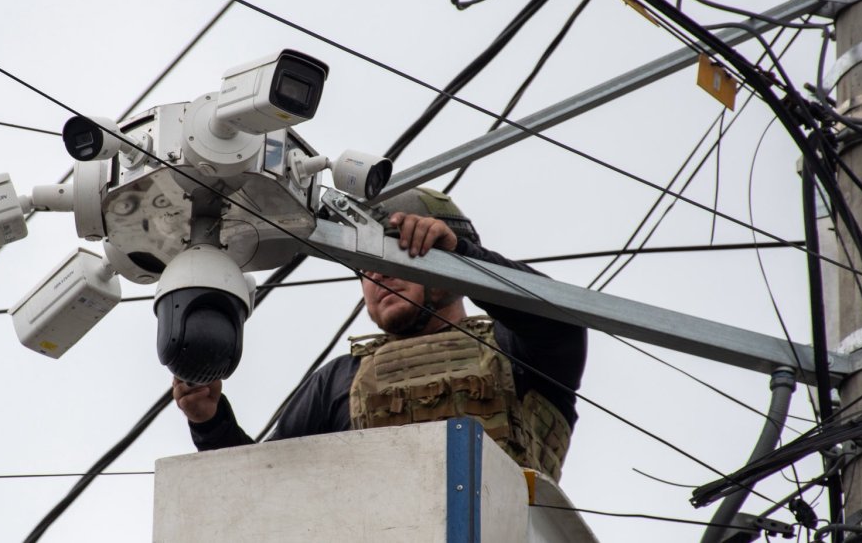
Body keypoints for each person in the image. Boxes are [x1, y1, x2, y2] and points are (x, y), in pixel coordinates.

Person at [172, 187, 586, 480]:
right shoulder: (339, 380)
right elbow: (264, 484)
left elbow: (559, 318)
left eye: (397, 251)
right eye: (365, 265)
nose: (378, 274)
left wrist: (465, 257)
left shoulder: (517, 347)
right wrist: (211, 423)